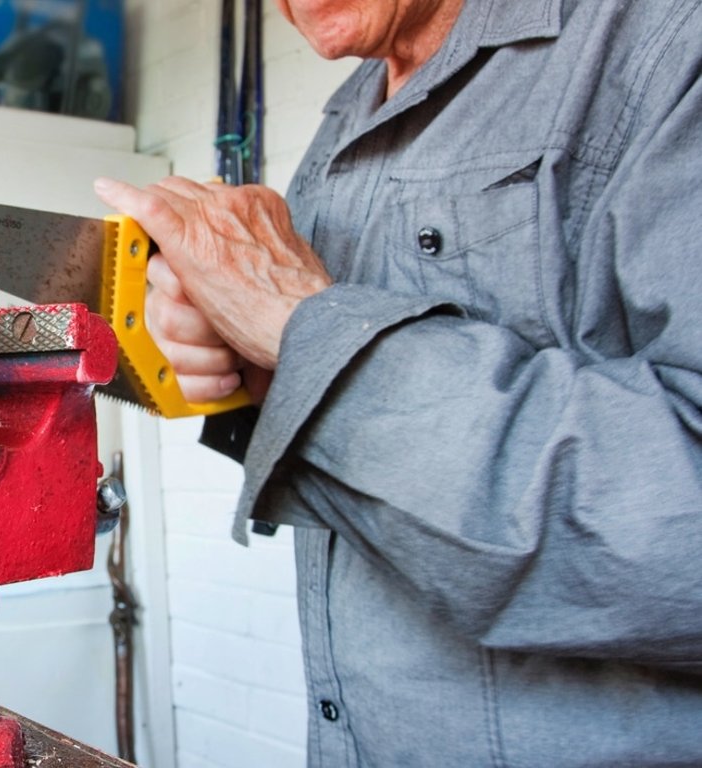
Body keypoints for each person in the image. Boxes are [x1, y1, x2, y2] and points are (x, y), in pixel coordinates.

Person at [95, 0, 702, 764]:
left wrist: (302, 327)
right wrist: (253, 367)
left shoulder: (664, 43)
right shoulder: (347, 119)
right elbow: (321, 384)